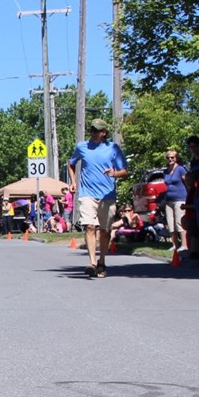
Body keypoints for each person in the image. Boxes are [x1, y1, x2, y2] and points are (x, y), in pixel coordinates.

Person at [67, 118, 129, 278]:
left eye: (97, 131)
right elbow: (71, 163)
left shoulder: (112, 148)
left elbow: (125, 171)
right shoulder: (82, 147)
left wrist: (114, 173)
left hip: (107, 195)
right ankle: (92, 262)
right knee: (89, 226)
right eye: (92, 130)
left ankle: (102, 261)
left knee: (105, 230)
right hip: (87, 193)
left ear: (104, 133)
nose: (93, 133)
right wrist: (73, 182)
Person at [161, 149, 187, 256]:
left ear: (176, 158)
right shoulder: (165, 171)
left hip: (180, 199)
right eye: (168, 157)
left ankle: (184, 245)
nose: (170, 159)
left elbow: (187, 182)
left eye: (172, 157)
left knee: (179, 222)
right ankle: (175, 245)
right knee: (171, 223)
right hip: (169, 200)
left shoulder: (180, 169)